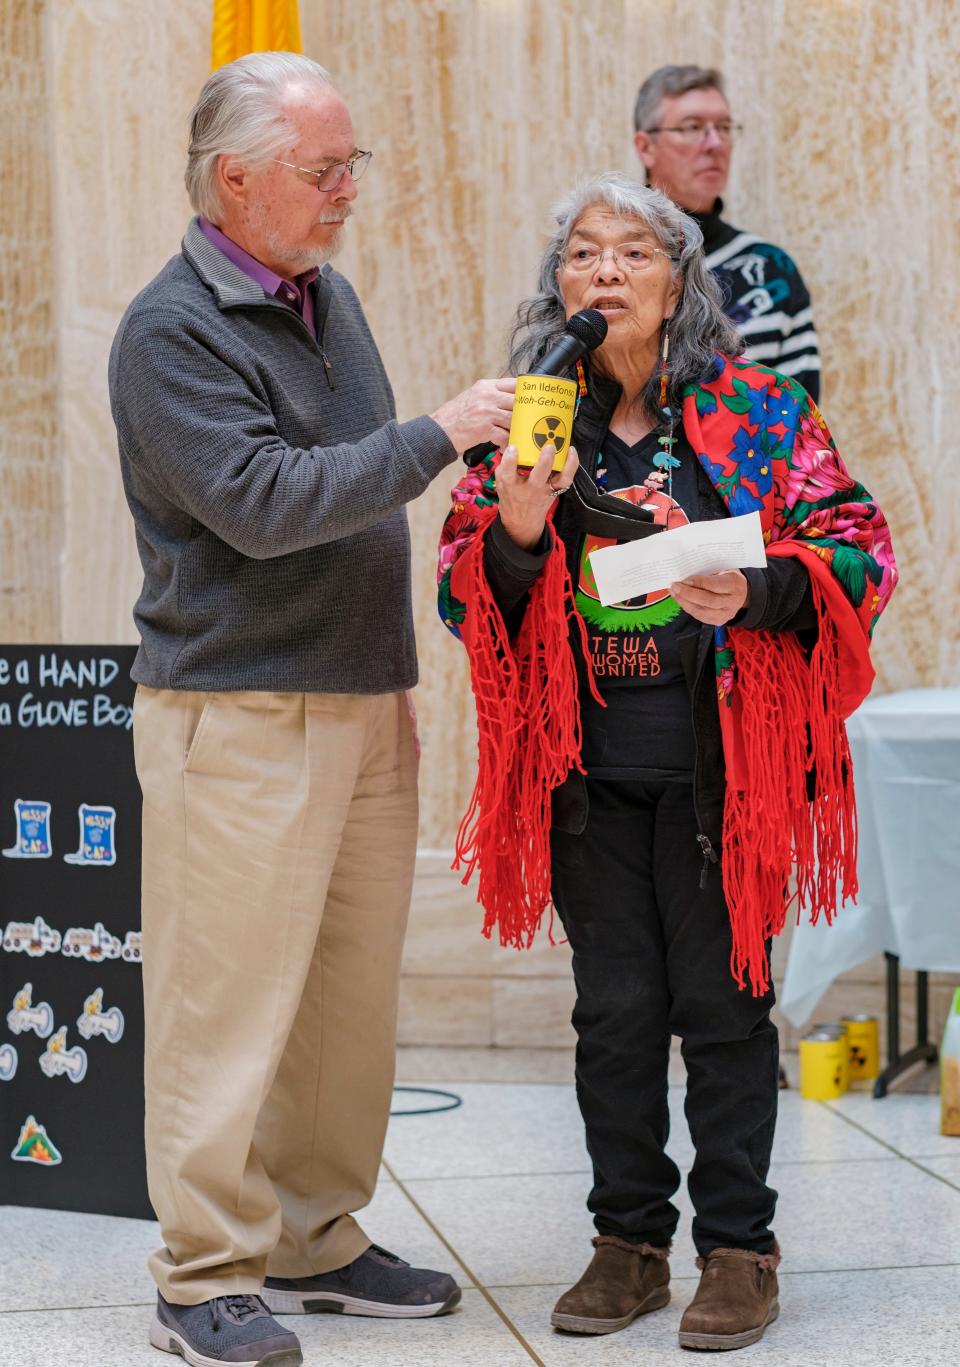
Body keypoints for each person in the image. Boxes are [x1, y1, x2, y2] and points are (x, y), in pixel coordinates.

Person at [437, 173, 896, 1352]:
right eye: (582, 253)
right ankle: (628, 1239)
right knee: (617, 1012)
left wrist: (758, 587)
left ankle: (739, 1246)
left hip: (722, 768)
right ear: (559, 284)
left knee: (725, 1009)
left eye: (631, 254)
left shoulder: (756, 412)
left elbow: (857, 545)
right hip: (584, 767)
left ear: (680, 280)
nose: (602, 272)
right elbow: (456, 581)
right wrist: (525, 529)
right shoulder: (535, 418)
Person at [109, 51, 515, 1367]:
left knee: (346, 1007)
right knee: (225, 1008)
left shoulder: (323, 296)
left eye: (352, 166)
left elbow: (345, 476)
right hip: (236, 712)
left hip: (358, 698)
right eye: (322, 169)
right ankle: (203, 1270)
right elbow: (269, 502)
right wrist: (443, 430)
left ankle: (316, 1237)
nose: (347, 191)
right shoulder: (170, 329)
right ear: (237, 180)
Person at [633, 64, 821, 400]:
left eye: (723, 127)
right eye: (692, 128)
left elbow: (800, 430)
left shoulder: (770, 270)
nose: (715, 143)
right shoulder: (600, 266)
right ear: (646, 147)